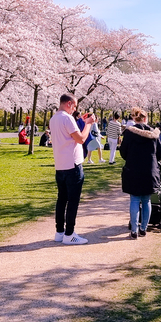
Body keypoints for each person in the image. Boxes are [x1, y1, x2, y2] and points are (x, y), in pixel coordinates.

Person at [50, 93, 96, 245]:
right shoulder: (67, 118)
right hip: (73, 164)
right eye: (74, 106)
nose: (74, 109)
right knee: (73, 200)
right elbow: (81, 139)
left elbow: (68, 133)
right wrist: (89, 124)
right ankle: (69, 233)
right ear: (69, 103)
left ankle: (60, 231)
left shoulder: (54, 118)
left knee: (62, 199)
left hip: (60, 164)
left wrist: (80, 121)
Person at [119, 107, 161, 238]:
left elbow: (123, 152)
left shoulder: (129, 133)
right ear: (145, 118)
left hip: (133, 169)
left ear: (134, 118)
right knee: (146, 200)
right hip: (149, 170)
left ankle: (134, 229)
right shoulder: (154, 134)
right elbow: (160, 153)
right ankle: (143, 228)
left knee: (134, 199)